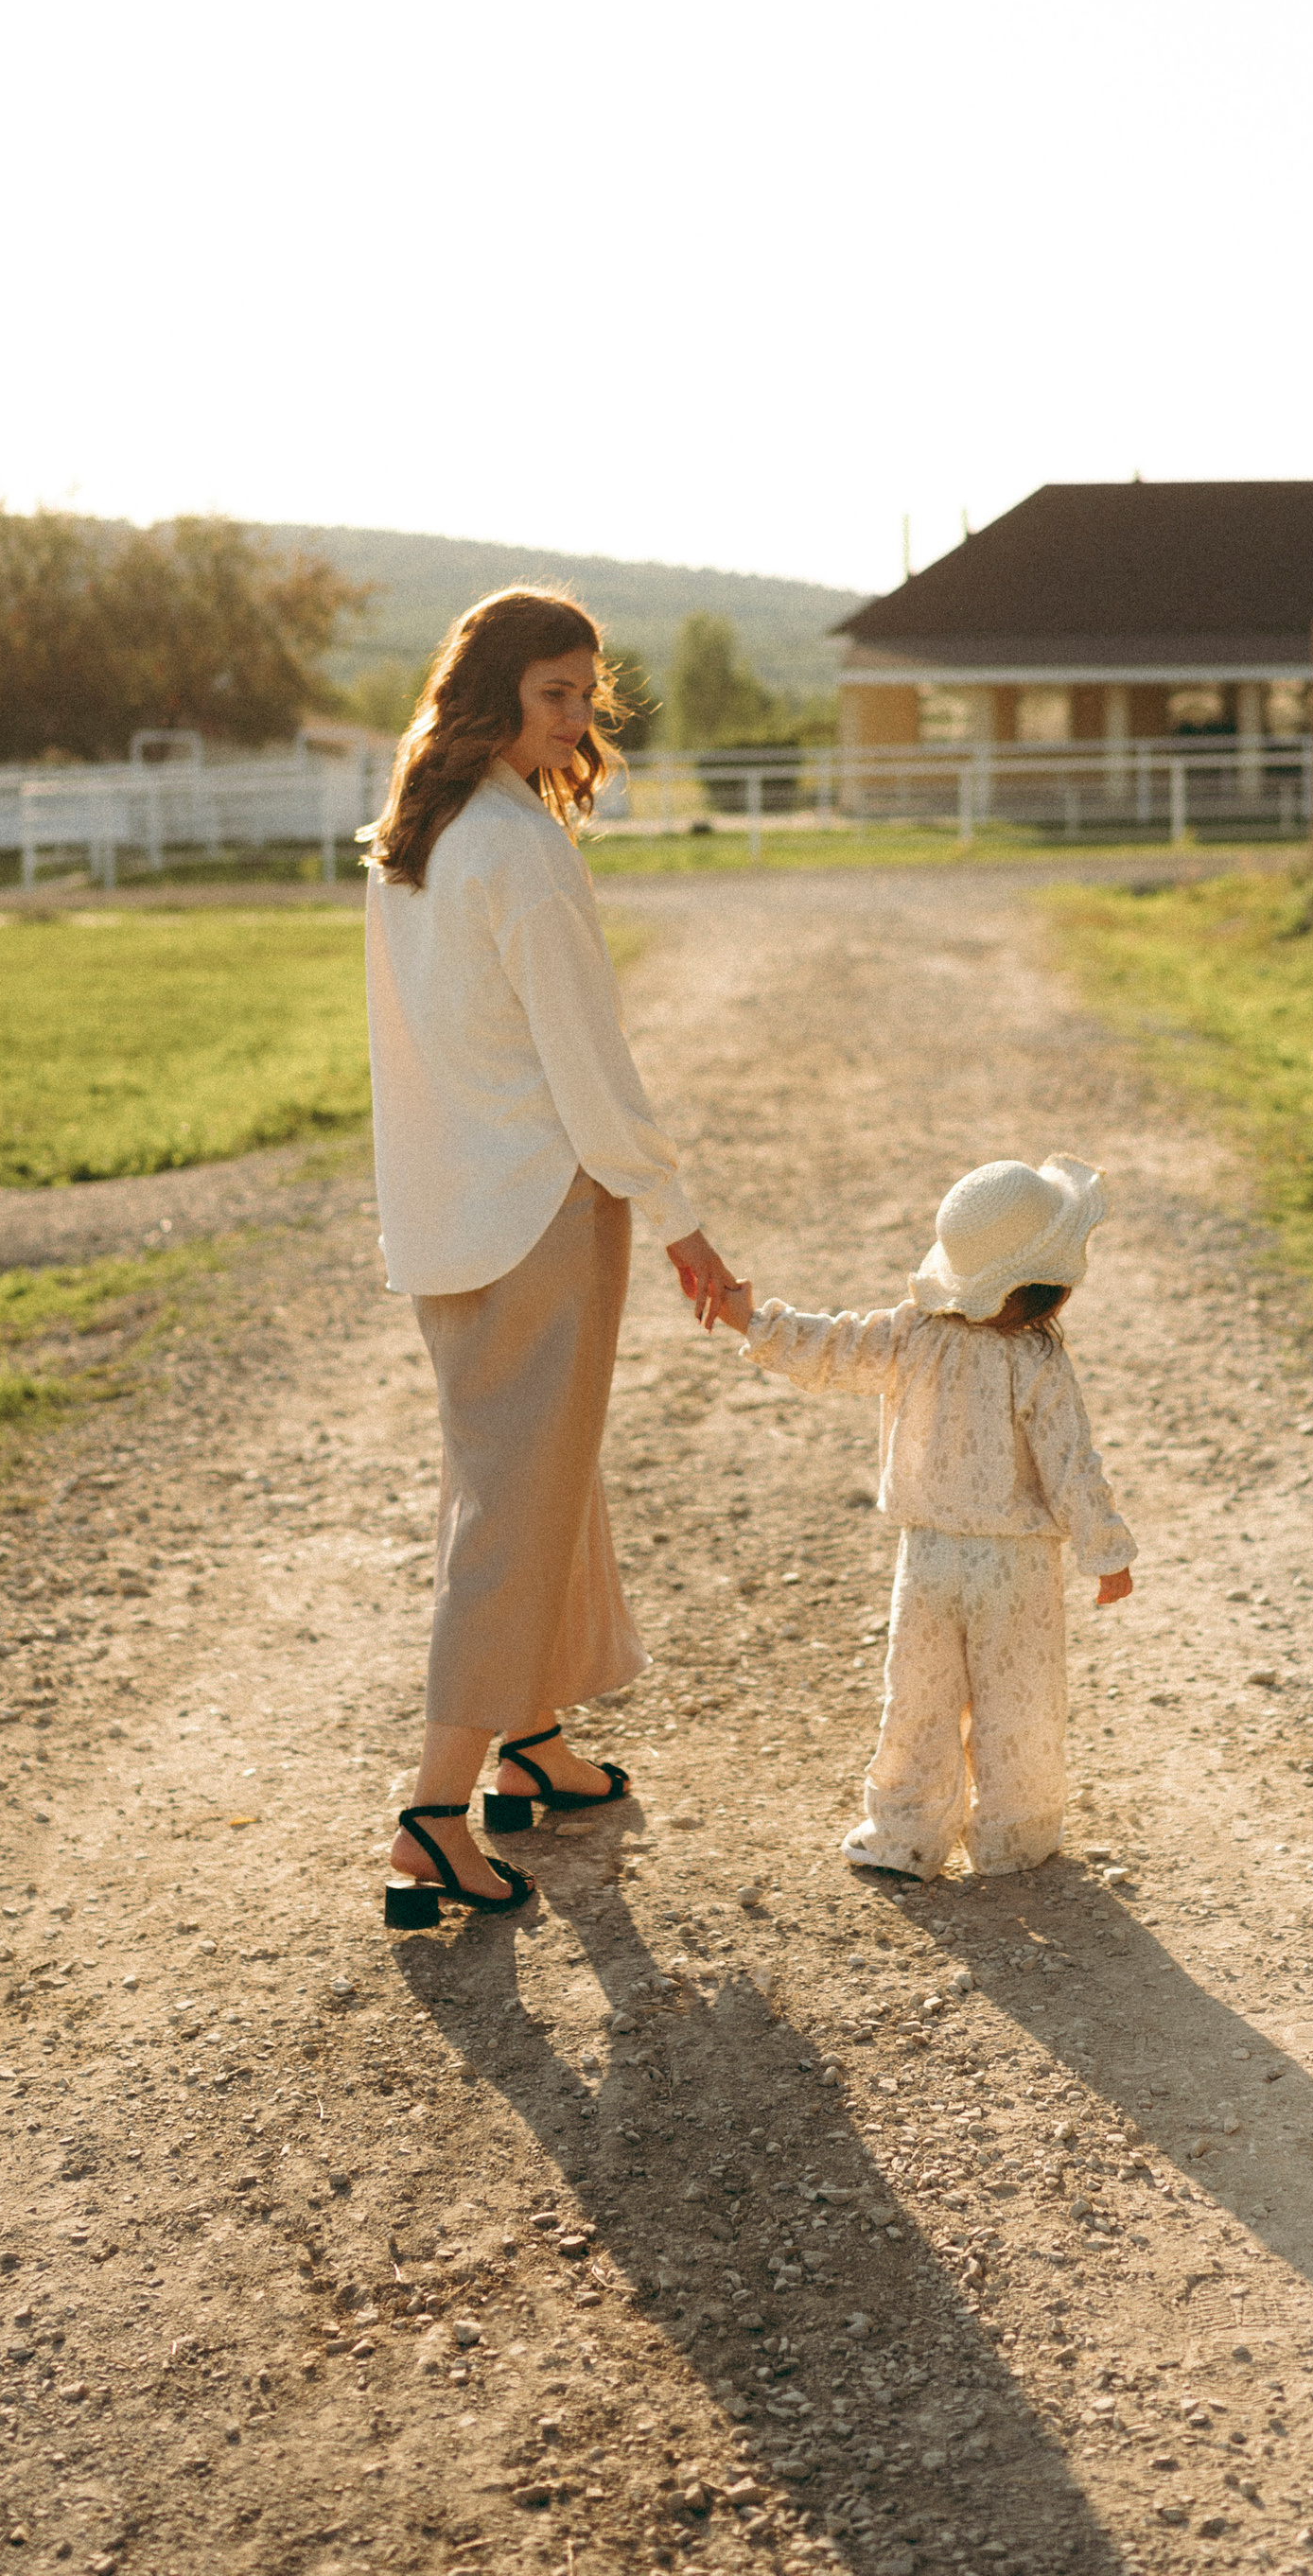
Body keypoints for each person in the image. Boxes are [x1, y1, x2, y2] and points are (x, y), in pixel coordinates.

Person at [359, 586, 737, 1931]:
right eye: (554, 695)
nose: (578, 716)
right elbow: (593, 1068)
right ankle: (431, 1813)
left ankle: (534, 1741)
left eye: (587, 694)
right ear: (496, 694)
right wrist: (687, 1219)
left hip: (451, 1213)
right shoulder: (515, 848)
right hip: (538, 1209)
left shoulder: (422, 835)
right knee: (513, 1504)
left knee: (535, 1469)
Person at [713, 1156, 1134, 1882]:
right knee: (1021, 1700)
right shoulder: (1037, 1361)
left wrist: (751, 1319)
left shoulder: (914, 1331)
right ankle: (1013, 1833)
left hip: (929, 1559)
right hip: (1016, 1566)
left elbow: (835, 1344)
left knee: (919, 1694)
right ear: (1047, 1284)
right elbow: (1071, 1464)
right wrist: (1106, 1552)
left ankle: (903, 1833)